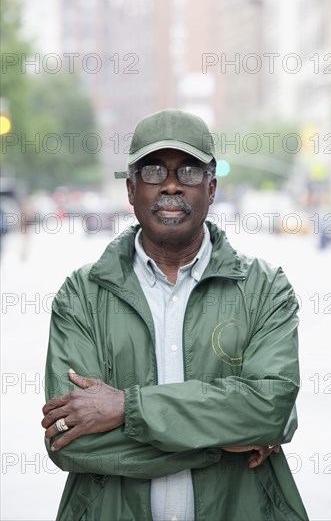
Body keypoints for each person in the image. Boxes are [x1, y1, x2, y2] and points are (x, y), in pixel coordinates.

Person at [42, 109, 308, 521]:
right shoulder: (82, 296)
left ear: (212, 186)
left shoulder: (264, 288)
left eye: (188, 171)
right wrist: (221, 443)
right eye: (152, 171)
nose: (170, 184)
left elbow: (269, 408)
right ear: (131, 189)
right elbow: (70, 441)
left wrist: (126, 409)